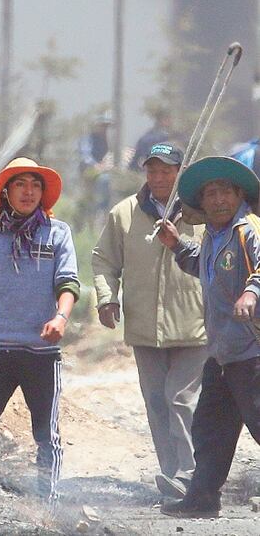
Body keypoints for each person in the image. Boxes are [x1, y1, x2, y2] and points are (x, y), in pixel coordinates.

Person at [91, 143, 206, 500]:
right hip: (144, 329)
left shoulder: (200, 214)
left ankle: (191, 473)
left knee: (181, 399)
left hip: (194, 326)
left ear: (179, 173)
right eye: (152, 171)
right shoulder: (124, 214)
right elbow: (103, 261)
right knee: (156, 401)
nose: (158, 177)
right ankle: (172, 475)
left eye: (166, 171)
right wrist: (107, 298)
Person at [0, 158, 80, 502]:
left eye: (35, 185)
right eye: (20, 184)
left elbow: (69, 282)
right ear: (5, 192)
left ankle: (49, 503)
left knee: (47, 435)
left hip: (41, 352)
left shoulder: (57, 233)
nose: (29, 192)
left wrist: (60, 317)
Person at [156, 156, 260, 518]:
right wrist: (175, 244)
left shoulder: (248, 230)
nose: (218, 200)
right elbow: (202, 265)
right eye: (211, 193)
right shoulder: (214, 236)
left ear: (239, 195)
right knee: (210, 429)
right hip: (222, 354)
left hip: (253, 352)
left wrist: (252, 293)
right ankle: (202, 499)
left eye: (225, 192)